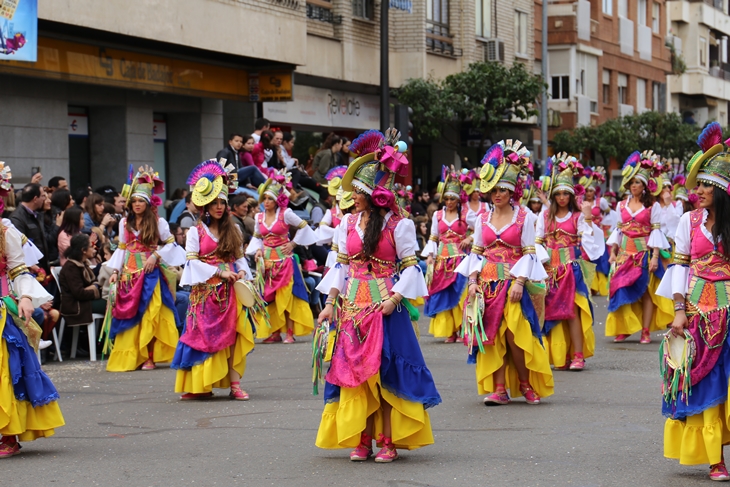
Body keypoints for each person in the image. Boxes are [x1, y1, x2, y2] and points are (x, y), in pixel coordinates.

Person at [316, 129, 441, 462]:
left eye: (358, 191)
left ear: (375, 193)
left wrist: (394, 299)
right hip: (352, 309)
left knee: (385, 376)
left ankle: (387, 440)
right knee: (356, 378)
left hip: (386, 308)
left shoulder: (398, 225)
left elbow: (413, 268)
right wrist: (330, 304)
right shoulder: (347, 224)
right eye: (353, 190)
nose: (352, 196)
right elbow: (341, 269)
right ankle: (362, 438)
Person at [658, 122, 730, 481]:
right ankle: (716, 459)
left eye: (705, 185)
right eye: (698, 183)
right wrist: (679, 311)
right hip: (700, 315)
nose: (697, 190)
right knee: (709, 385)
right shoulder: (688, 221)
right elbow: (679, 268)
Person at [456, 140, 553, 406]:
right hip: (485, 286)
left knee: (515, 337)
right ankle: (499, 389)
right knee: (490, 335)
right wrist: (473, 282)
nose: (497, 194)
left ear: (512, 191)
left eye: (502, 189)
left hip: (512, 285)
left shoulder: (525, 217)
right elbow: (476, 253)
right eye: (493, 189)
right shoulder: (482, 219)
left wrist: (520, 282)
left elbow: (529, 253)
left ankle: (525, 383)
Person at [172, 159, 265, 401]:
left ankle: (235, 385)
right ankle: (200, 386)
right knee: (200, 337)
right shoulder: (195, 231)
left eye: (223, 202)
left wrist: (242, 272)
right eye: (214, 203)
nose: (219, 207)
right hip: (204, 294)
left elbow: (240, 258)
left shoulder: (233, 230)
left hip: (230, 292)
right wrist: (219, 272)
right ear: (205, 205)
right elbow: (191, 262)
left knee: (233, 336)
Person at [0, 162, 64, 458]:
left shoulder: (5, 231)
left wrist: (25, 297)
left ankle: (8, 434)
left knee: (5, 372)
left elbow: (18, 270)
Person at [105, 166, 185, 372]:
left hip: (150, 275)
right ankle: (134, 356)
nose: (137, 204)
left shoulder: (158, 222)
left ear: (148, 203)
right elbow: (122, 249)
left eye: (141, 201)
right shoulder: (124, 223)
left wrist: (156, 256)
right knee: (132, 315)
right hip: (129, 275)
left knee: (150, 314)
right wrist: (115, 272)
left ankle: (149, 356)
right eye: (134, 201)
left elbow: (170, 243)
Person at [535, 155, 603, 371]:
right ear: (553, 195)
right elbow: (536, 243)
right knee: (553, 312)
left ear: (572, 195)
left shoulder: (577, 217)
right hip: (550, 271)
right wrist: (544, 263)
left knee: (572, 311)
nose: (562, 197)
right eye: (558, 193)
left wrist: (588, 218)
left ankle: (578, 355)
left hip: (572, 270)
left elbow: (592, 244)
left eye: (566, 193)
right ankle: (559, 355)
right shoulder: (544, 216)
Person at [604, 151, 674, 344]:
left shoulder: (653, 206)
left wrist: (654, 257)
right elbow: (618, 231)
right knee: (619, 288)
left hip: (644, 254)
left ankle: (645, 331)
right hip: (624, 254)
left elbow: (656, 232)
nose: (634, 186)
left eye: (637, 183)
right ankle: (625, 327)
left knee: (645, 292)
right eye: (631, 183)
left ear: (644, 185)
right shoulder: (621, 205)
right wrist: (613, 253)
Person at [245, 170, 317, 343]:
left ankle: (290, 332)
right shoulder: (259, 217)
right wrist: (258, 251)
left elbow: (304, 226)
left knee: (287, 297)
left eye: (270, 198)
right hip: (268, 263)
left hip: (285, 261)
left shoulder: (286, 214)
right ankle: (275, 332)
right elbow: (257, 237)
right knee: (270, 297)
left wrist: (292, 244)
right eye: (265, 198)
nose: (267, 202)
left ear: (278, 200)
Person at [421, 167, 473, 342]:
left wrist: (470, 237)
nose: (449, 201)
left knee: (460, 296)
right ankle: (451, 332)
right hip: (442, 260)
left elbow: (481, 230)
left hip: (461, 260)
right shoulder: (437, 215)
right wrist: (430, 256)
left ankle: (462, 330)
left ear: (459, 199)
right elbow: (434, 237)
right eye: (447, 198)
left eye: (453, 198)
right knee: (444, 295)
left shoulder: (467, 214)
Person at [59, 233, 106, 327]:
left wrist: (94, 287)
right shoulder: (71, 267)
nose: (94, 248)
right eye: (91, 246)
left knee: (112, 301)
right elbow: (79, 293)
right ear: (83, 250)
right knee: (111, 305)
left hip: (84, 301)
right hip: (75, 305)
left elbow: (94, 283)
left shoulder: (82, 263)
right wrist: (96, 291)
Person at [10, 183, 49, 271]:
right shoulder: (17, 218)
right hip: (32, 270)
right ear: (35, 199)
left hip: (42, 267)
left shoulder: (37, 215)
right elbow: (18, 246)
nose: (44, 199)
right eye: (43, 196)